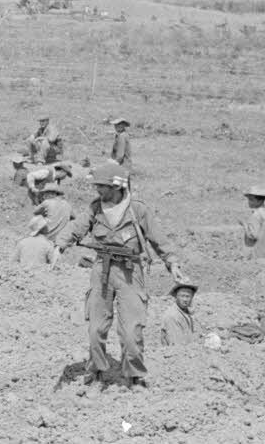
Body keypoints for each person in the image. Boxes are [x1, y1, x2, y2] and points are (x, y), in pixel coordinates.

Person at [57, 159, 187, 390]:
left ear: (117, 186)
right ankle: (96, 374)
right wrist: (60, 245)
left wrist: (173, 264)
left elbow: (159, 240)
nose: (98, 190)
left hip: (130, 272)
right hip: (101, 270)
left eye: (102, 186)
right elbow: (76, 228)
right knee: (96, 328)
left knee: (131, 331)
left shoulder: (138, 210)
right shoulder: (95, 208)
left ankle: (134, 376)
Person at [158, 282, 198, 346]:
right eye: (182, 296)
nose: (185, 299)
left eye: (188, 296)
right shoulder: (172, 315)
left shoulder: (186, 313)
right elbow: (177, 346)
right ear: (176, 296)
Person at [240, 186, 265, 259]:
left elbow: (253, 235)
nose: (249, 202)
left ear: (259, 201)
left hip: (256, 254)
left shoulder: (256, 215)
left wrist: (244, 225)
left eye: (251, 200)